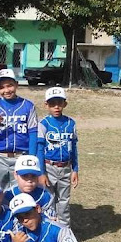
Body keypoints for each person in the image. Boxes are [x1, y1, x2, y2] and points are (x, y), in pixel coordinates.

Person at [0, 69, 38, 190]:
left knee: (20, 190)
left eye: (10, 85)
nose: (6, 90)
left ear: (16, 84)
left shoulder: (28, 105)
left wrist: (32, 157)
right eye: (2, 87)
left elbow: (33, 133)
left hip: (21, 156)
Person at [37, 87, 79, 226]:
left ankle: (65, 229)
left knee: (64, 200)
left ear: (64, 104)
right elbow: (40, 150)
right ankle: (49, 228)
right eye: (52, 103)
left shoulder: (70, 123)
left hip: (65, 167)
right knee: (49, 199)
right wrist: (42, 173)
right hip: (49, 167)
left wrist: (75, 169)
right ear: (46, 105)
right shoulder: (43, 124)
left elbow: (74, 148)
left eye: (59, 103)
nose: (56, 107)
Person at [4, 155, 57, 221]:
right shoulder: (8, 195)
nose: (29, 180)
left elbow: (51, 221)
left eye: (33, 176)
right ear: (15, 175)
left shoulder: (45, 195)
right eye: (25, 176)